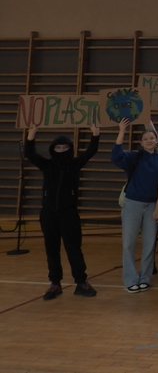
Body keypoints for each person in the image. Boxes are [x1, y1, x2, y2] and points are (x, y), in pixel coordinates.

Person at [25, 121, 100, 300]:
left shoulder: (75, 164)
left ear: (70, 149)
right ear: (53, 149)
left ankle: (81, 282)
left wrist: (95, 134)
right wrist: (32, 133)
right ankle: (55, 283)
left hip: (69, 213)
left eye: (65, 147)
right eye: (58, 148)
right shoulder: (47, 165)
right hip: (48, 213)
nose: (62, 150)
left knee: (74, 248)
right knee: (51, 249)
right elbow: (30, 153)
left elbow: (91, 151)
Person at [111, 119, 158, 293]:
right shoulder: (135, 157)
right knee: (129, 242)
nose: (149, 141)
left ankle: (145, 278)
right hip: (133, 204)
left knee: (150, 244)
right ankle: (130, 279)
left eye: (152, 138)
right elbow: (116, 157)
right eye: (146, 139)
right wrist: (121, 131)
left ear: (157, 141)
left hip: (152, 206)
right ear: (141, 142)